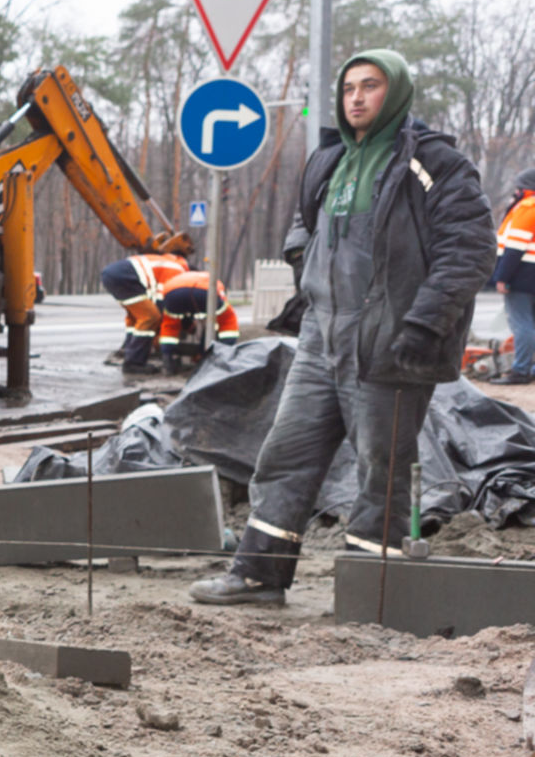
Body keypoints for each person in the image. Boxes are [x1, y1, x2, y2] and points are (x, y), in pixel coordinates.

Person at [190, 49, 494, 605]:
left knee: (381, 470)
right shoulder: (329, 160)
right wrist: (301, 262)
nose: (356, 97)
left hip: (391, 344)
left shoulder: (435, 164)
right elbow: (306, 219)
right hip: (320, 339)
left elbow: (470, 250)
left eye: (370, 85)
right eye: (349, 87)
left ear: (395, 92)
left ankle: (369, 590)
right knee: (285, 453)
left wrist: (424, 324)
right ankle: (258, 574)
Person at [99, 253, 190, 373]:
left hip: (115, 275)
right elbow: (162, 302)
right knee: (151, 317)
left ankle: (128, 350)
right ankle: (133, 363)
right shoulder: (177, 272)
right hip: (124, 277)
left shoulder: (170, 263)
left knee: (136, 317)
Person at [488, 169, 535, 385]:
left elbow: (514, 247)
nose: (515, 191)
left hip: (523, 275)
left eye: (518, 187)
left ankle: (520, 371)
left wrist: (502, 277)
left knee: (522, 323)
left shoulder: (528, 207)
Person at [154, 270, 237, 373]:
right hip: (205, 290)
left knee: (170, 325)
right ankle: (225, 355)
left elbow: (185, 310)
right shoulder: (211, 277)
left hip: (172, 292)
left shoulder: (180, 277)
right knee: (227, 320)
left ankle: (168, 361)